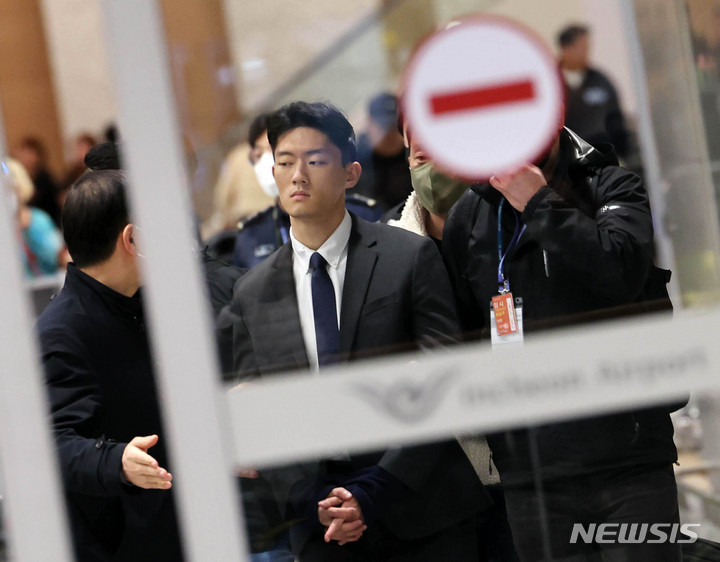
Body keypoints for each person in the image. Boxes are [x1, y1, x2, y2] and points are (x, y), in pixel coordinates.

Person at [227, 101, 489, 561]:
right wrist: (315, 501)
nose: (298, 176)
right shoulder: (253, 292)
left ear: (350, 173)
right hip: (321, 526)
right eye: (285, 162)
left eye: (315, 160)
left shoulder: (407, 257)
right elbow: (264, 411)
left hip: (421, 513)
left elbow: (443, 380)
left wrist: (374, 491)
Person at [443, 125, 681, 561]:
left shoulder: (610, 183)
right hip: (533, 477)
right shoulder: (471, 215)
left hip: (628, 463)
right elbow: (464, 337)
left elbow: (620, 270)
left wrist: (538, 203)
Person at [384, 122, 519, 562]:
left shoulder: (513, 227)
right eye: (417, 157)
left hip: (525, 465)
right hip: (440, 484)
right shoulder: (386, 255)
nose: (427, 169)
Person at [37, 170, 183, 560]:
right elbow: (50, 444)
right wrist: (115, 460)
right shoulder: (61, 332)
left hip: (173, 528)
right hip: (121, 544)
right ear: (132, 239)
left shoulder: (146, 305)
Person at [233, 113, 383, 269]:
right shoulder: (250, 236)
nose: (265, 160)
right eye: (257, 154)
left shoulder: (362, 215)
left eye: (272, 151)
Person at [557, 24, 631, 161]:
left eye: (587, 48)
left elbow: (615, 119)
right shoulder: (551, 84)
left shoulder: (600, 82)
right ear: (566, 49)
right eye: (581, 48)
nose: (586, 53)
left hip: (600, 158)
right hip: (564, 162)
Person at [355, 92, 413, 210]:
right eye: (384, 127)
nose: (390, 134)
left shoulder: (414, 158)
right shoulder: (352, 161)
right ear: (369, 124)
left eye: (395, 127)